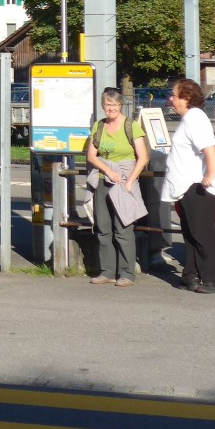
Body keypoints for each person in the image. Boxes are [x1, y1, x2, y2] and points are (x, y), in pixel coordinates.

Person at [162, 78, 215, 293]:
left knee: (202, 235)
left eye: (174, 95)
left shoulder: (195, 118)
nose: (170, 99)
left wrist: (209, 174)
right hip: (187, 187)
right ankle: (190, 276)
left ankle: (213, 280)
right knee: (190, 234)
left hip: (198, 187)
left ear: (186, 98)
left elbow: (209, 148)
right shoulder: (188, 119)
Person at [85, 88, 149, 286]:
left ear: (121, 105)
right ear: (102, 106)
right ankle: (107, 271)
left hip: (124, 181)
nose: (111, 108)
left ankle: (127, 273)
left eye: (114, 104)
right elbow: (91, 155)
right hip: (103, 180)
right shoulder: (99, 126)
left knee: (123, 228)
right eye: (107, 104)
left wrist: (130, 181)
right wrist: (108, 170)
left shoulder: (131, 126)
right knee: (103, 227)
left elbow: (143, 157)